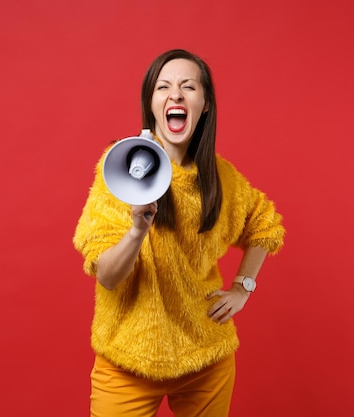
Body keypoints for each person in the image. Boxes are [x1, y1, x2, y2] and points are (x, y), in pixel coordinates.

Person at [73, 49, 285, 417]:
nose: (176, 95)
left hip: (206, 359)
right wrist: (138, 229)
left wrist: (242, 287)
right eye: (164, 87)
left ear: (204, 105)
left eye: (189, 87)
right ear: (151, 103)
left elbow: (265, 225)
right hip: (127, 361)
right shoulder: (118, 168)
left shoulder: (223, 179)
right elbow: (107, 276)